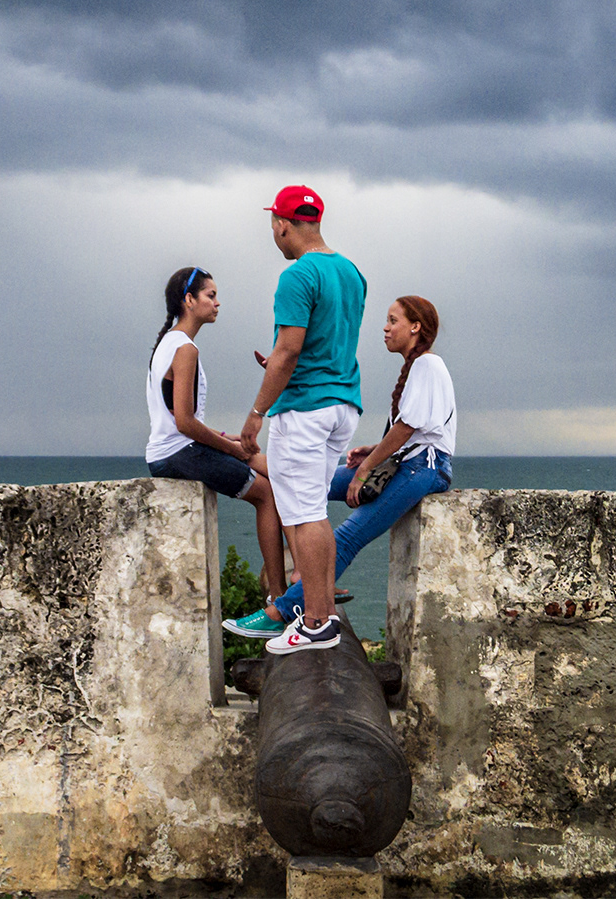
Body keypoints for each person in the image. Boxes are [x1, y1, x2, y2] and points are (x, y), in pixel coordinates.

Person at [225, 295, 455, 636]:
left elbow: (409, 429)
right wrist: (373, 450)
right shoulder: (418, 366)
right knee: (308, 479)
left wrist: (364, 471)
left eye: (393, 320)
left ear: (415, 327)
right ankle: (236, 451)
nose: (386, 327)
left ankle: (281, 612)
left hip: (423, 468)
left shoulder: (427, 365)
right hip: (405, 462)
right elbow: (417, 428)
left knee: (346, 536)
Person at [236, 186, 367, 654]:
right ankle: (323, 611)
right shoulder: (351, 272)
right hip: (342, 404)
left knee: (305, 513)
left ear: (281, 224)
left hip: (305, 407)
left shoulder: (297, 275)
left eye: (274, 223)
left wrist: (256, 414)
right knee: (314, 508)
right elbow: (320, 344)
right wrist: (275, 363)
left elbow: (290, 349)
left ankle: (314, 624)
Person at [146, 266, 287, 594]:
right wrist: (230, 448)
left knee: (272, 471)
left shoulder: (169, 343)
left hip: (174, 450)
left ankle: (291, 584)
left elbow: (174, 416)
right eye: (211, 296)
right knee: (267, 494)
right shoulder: (185, 349)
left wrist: (224, 439)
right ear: (190, 300)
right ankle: (279, 595)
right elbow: (184, 423)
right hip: (178, 454)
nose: (217, 303)